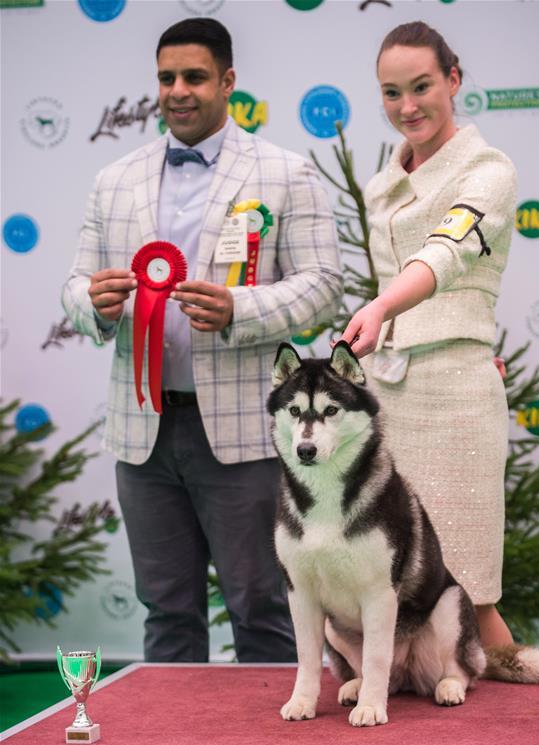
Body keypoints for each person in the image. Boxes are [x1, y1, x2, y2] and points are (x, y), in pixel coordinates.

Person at [62, 18, 342, 663]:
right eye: (166, 78)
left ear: (228, 81)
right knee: (165, 608)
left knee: (262, 604)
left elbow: (325, 284)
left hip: (245, 434)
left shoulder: (286, 173)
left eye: (194, 77)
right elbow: (76, 284)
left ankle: (282, 728)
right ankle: (171, 730)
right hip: (143, 431)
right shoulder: (115, 180)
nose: (178, 91)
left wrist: (239, 307)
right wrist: (93, 304)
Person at [340, 21, 516, 647]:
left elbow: (448, 250)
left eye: (421, 87)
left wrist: (383, 306)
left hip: (457, 393)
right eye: (391, 93)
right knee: (389, 576)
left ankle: (506, 687)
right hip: (388, 396)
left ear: (454, 79)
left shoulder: (488, 171)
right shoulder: (381, 186)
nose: (407, 106)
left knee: (470, 588)